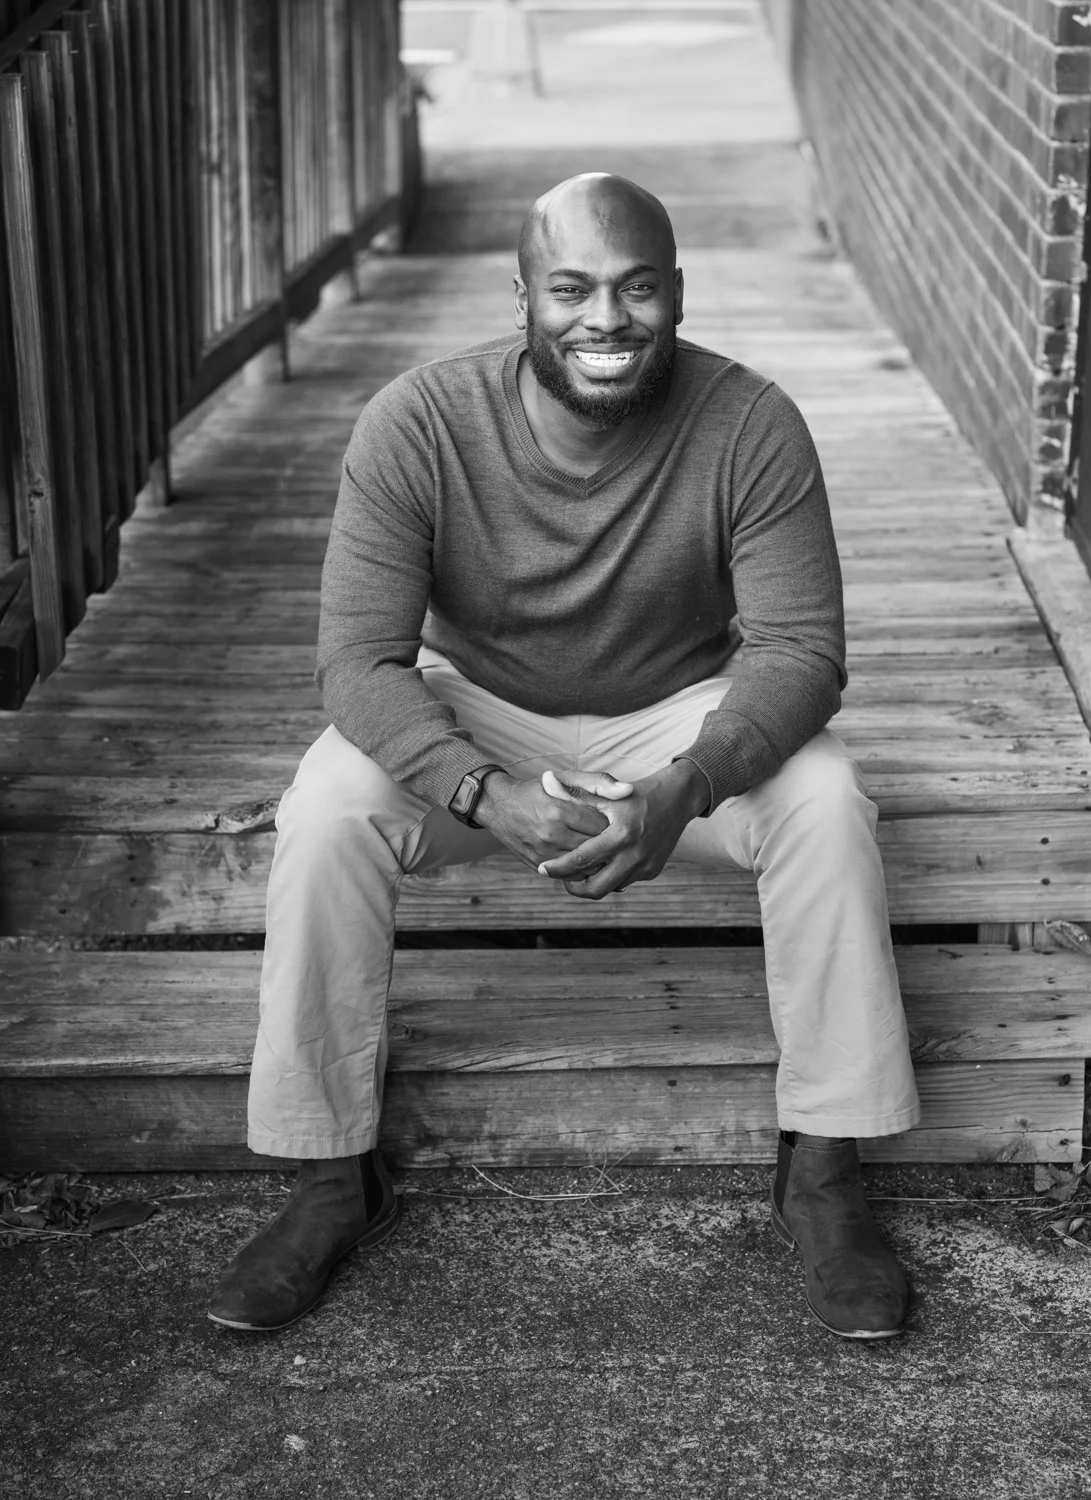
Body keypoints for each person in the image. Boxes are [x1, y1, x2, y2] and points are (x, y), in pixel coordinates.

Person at [207, 173, 921, 1339]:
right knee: (332, 798)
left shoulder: (750, 422)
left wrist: (686, 785)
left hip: (678, 714)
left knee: (829, 797)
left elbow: (801, 652)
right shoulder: (419, 422)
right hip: (481, 710)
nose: (606, 319)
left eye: (637, 288)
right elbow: (356, 663)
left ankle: (825, 1172)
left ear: (677, 294)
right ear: (525, 296)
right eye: (573, 289)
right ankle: (331, 1176)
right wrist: (482, 792)